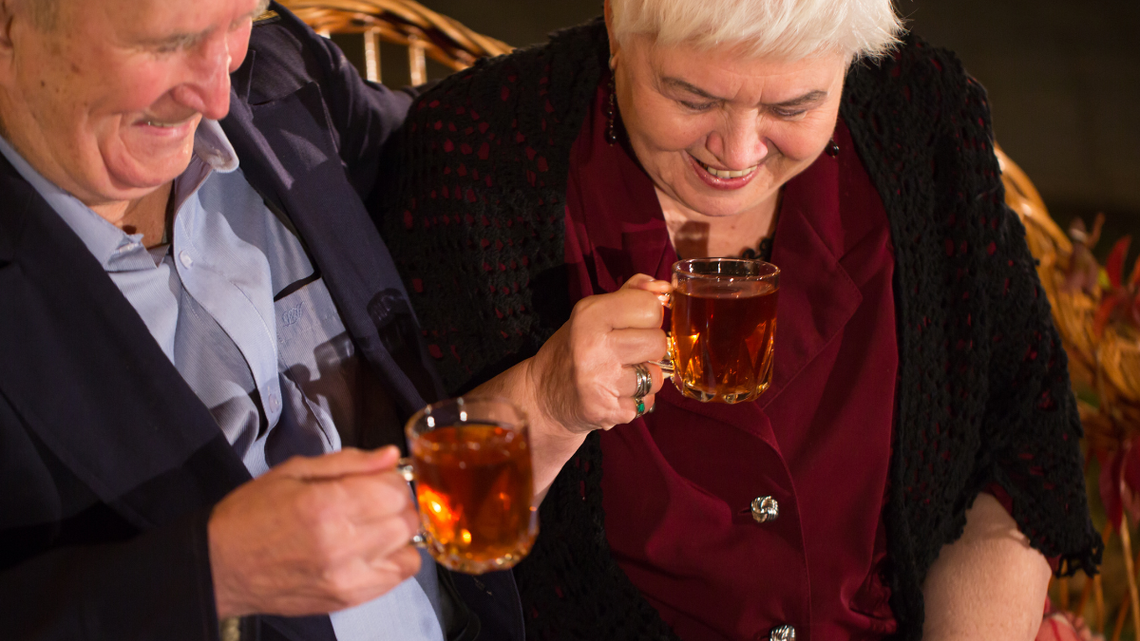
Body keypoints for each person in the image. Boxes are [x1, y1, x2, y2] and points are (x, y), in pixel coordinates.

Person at [379, 0, 1105, 639]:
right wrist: (545, 402)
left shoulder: (922, 121)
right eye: (691, 96)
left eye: (793, 108)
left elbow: (1019, 448)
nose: (737, 152)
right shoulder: (474, 163)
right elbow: (415, 538)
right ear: (617, 25)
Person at [0, 0, 666, 639]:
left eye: (234, 21)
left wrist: (659, 51)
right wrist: (214, 576)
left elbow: (471, 131)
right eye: (166, 43)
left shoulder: (276, 79)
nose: (216, 96)